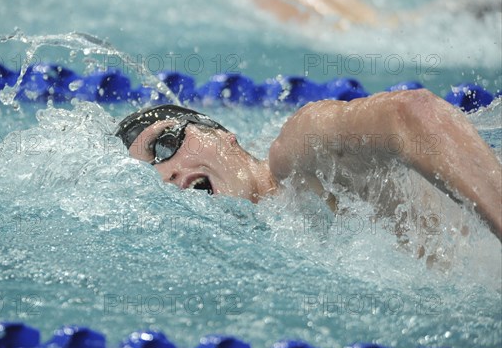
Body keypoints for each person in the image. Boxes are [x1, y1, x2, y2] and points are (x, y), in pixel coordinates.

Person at [115, 89, 502, 243]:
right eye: (152, 178)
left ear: (221, 133)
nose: (167, 174)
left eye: (165, 145)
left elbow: (411, 113)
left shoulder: (294, 156)